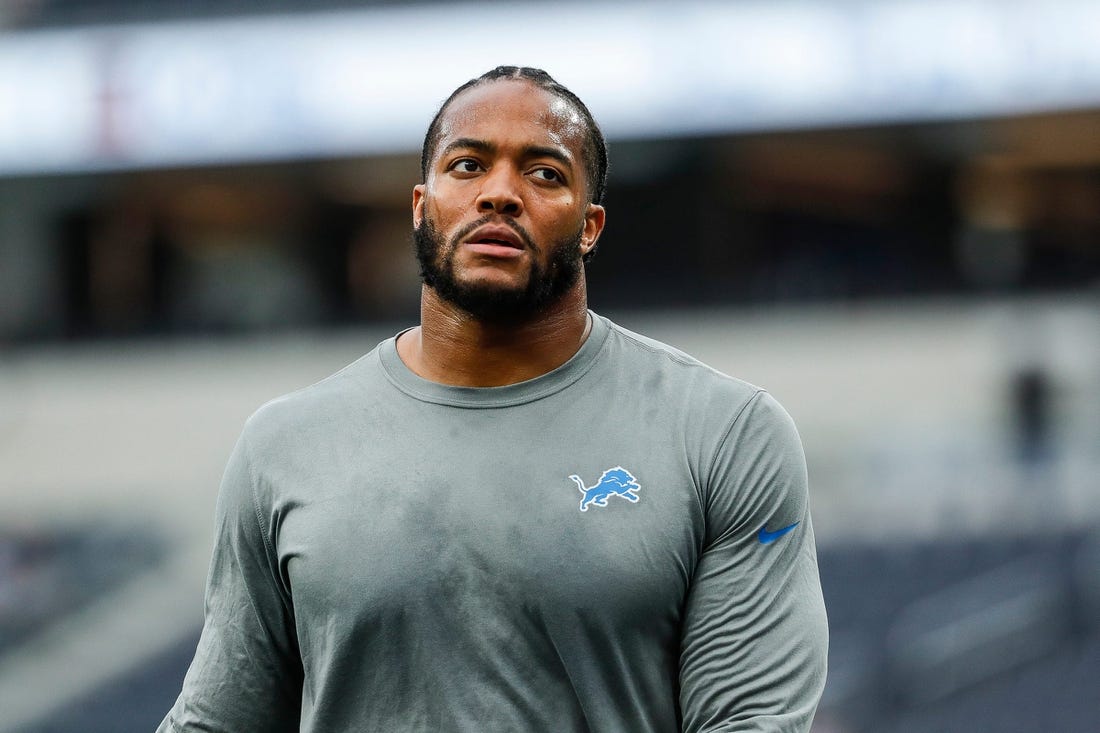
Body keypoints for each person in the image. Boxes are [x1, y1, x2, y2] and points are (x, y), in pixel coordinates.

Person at [159, 66, 828, 732]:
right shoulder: (284, 447)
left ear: (590, 226)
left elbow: (751, 720)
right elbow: (220, 719)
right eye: (468, 165)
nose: (500, 194)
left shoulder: (725, 433)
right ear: (422, 207)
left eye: (544, 174)